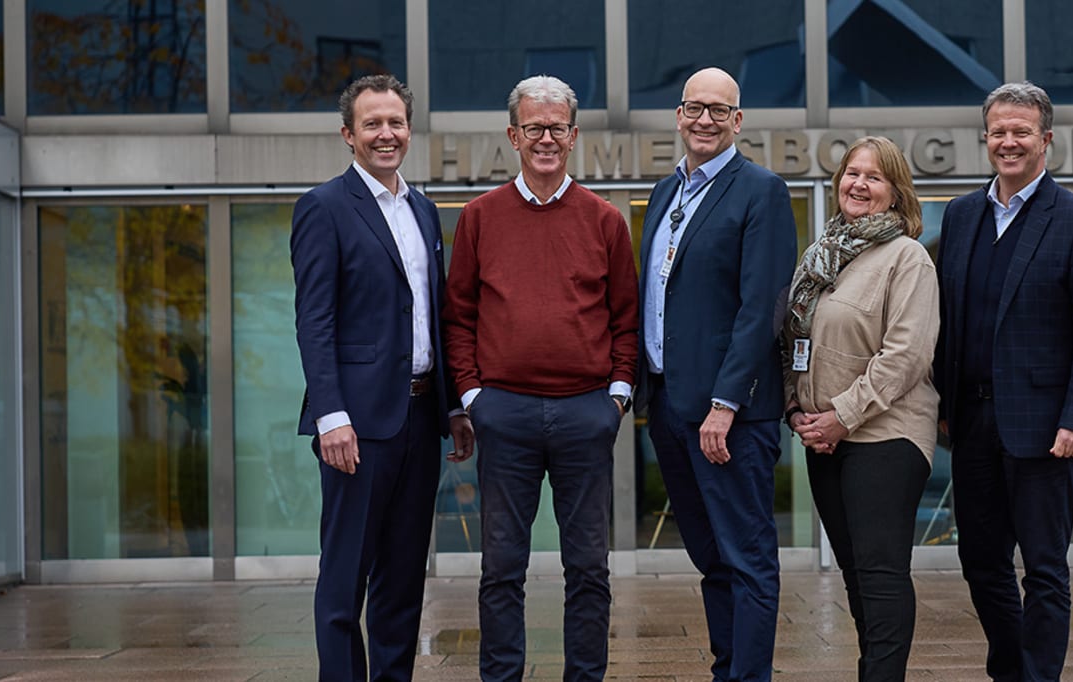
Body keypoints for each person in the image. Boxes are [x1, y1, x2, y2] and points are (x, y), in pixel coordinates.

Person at [441, 75, 639, 682]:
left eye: (557, 128)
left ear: (574, 136)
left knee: (588, 567)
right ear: (513, 135)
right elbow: (459, 315)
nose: (546, 138)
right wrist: (475, 396)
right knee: (502, 566)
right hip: (507, 414)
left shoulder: (605, 221)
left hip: (585, 412)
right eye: (534, 128)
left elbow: (626, 322)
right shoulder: (479, 217)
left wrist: (616, 397)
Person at [934, 81, 1073, 682]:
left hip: (1044, 426)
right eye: (998, 131)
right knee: (980, 560)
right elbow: (948, 321)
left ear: (1046, 140)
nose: (1008, 142)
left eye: (1021, 132)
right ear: (984, 138)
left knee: (1043, 567)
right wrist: (941, 402)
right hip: (971, 420)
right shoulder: (961, 217)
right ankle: (1014, 670)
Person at [291, 74, 468, 682]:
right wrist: (330, 414)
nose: (385, 134)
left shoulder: (423, 209)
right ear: (349, 134)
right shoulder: (323, 208)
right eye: (372, 124)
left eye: (395, 122)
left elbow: (434, 316)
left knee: (402, 579)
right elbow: (314, 322)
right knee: (345, 580)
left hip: (419, 419)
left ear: (409, 130)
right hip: (356, 427)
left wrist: (451, 409)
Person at [637, 66, 797, 682]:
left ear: (738, 121)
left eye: (719, 110)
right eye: (694, 108)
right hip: (672, 413)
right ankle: (727, 668)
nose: (705, 120)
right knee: (711, 558)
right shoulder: (663, 193)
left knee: (748, 559)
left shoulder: (762, 191)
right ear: (678, 115)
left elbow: (762, 310)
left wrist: (725, 405)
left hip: (726, 419)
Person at [784, 136, 939, 681]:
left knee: (880, 570)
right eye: (852, 173)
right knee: (854, 572)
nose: (859, 184)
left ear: (895, 193)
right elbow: (794, 342)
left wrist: (842, 416)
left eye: (874, 177)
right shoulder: (821, 256)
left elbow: (906, 356)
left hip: (886, 435)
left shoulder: (907, 258)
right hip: (825, 438)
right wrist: (796, 410)